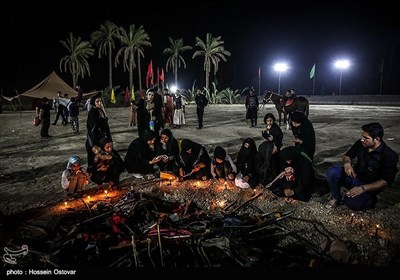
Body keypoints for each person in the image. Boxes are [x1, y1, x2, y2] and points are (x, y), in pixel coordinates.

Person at [326, 123, 398, 211]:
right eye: (362, 137)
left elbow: (385, 181)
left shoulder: (389, 155)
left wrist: (363, 188)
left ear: (377, 139)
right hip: (354, 177)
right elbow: (347, 156)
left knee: (351, 203)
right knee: (332, 172)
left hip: (369, 187)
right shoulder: (361, 144)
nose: (362, 140)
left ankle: (370, 200)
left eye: (366, 138)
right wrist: (347, 163)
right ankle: (336, 198)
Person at [85, 95, 112, 167]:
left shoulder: (100, 110)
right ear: (93, 103)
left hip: (103, 135)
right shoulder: (92, 112)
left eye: (100, 101)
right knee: (96, 154)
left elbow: (105, 121)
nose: (100, 103)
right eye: (97, 101)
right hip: (96, 137)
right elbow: (95, 124)